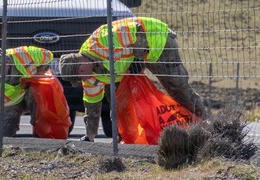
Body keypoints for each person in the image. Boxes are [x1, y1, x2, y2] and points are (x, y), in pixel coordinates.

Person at [55, 16, 207, 141]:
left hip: (158, 40)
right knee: (122, 101)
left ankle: (206, 127)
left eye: (80, 77)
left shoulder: (103, 40)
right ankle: (132, 139)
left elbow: (138, 29)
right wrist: (90, 136)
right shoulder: (89, 78)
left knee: (177, 88)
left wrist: (138, 60)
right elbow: (92, 106)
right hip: (137, 57)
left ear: (80, 68)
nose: (82, 81)